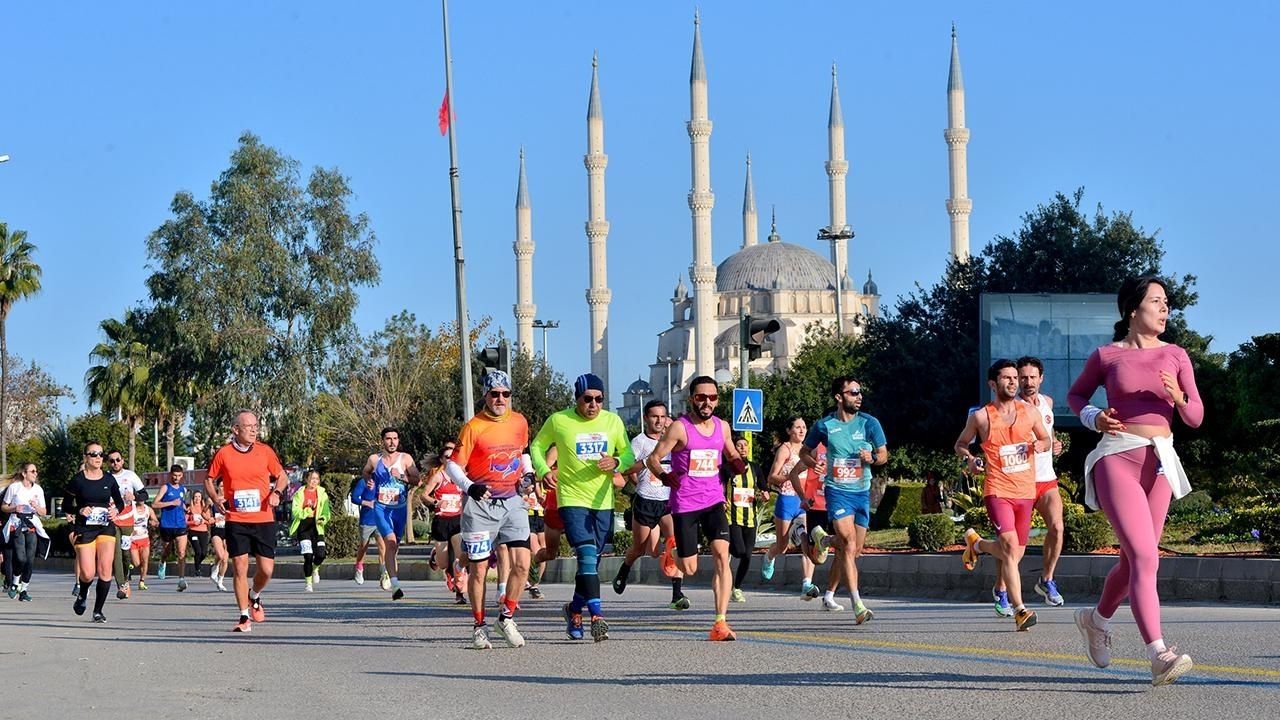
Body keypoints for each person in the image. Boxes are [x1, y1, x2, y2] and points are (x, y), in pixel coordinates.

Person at [1068, 276, 1202, 686]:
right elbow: (1076, 397)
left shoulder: (1177, 355)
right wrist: (1095, 417)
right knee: (1146, 557)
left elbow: (1195, 416)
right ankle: (1158, 653)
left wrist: (1178, 397)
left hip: (1161, 462)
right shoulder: (1107, 356)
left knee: (1134, 560)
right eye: (1157, 301)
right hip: (1116, 457)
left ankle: (1096, 620)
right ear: (1132, 309)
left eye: (1167, 303)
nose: (1165, 309)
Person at [531, 373, 633, 643]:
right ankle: (597, 616)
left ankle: (574, 609)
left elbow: (628, 454)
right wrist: (543, 471)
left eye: (599, 399)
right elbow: (537, 446)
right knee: (586, 556)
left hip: (603, 503)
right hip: (571, 499)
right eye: (588, 399)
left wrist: (616, 462)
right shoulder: (559, 420)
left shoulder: (613, 421)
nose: (594, 405)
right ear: (577, 398)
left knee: (593, 563)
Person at [647, 376, 748, 642]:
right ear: (692, 398)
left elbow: (731, 453)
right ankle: (674, 550)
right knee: (689, 569)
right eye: (701, 397)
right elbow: (653, 459)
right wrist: (665, 476)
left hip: (714, 500)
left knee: (721, 556)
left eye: (712, 397)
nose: (707, 402)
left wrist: (738, 463)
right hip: (686, 503)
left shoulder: (722, 426)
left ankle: (720, 622)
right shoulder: (680, 428)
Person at [956, 359, 1051, 633]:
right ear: (992, 384)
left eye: (1015, 378)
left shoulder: (1030, 413)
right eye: (1007, 378)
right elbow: (961, 444)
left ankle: (977, 544)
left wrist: (1040, 444)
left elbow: (1045, 438)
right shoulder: (981, 417)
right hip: (998, 490)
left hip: (1025, 491)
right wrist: (970, 459)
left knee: (1014, 553)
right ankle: (1020, 610)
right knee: (1010, 548)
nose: (1013, 382)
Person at [445, 370, 533, 649]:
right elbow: (452, 465)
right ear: (485, 395)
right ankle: (479, 625)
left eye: (505, 394)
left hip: (513, 502)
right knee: (480, 570)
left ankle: (505, 617)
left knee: (523, 564)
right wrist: (469, 486)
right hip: (481, 507)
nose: (500, 399)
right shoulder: (473, 427)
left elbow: (524, 452)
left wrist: (528, 473)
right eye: (494, 394)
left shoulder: (519, 421)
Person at [801, 377, 888, 624]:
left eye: (860, 392)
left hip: (861, 492)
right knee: (848, 544)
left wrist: (871, 456)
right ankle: (858, 604)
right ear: (839, 397)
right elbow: (803, 452)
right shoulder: (825, 426)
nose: (859, 396)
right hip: (837, 491)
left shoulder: (870, 423)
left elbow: (883, 455)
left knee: (855, 549)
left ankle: (824, 539)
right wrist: (814, 463)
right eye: (853, 392)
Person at [204, 410, 289, 633]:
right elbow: (209, 480)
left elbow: (282, 476)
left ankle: (255, 596)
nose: (254, 430)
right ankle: (243, 616)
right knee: (240, 567)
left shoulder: (265, 451)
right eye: (248, 426)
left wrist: (277, 493)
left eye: (256, 426)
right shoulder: (223, 454)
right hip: (236, 519)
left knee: (267, 570)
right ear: (236, 430)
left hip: (263, 518)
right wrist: (215, 499)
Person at [612, 399, 690, 610]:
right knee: (641, 549)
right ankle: (624, 570)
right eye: (654, 416)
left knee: (676, 543)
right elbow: (625, 469)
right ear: (646, 418)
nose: (659, 420)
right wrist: (643, 466)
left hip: (668, 501)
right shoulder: (639, 442)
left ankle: (677, 594)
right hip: (646, 500)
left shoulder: (673, 441)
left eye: (662, 416)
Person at [1014, 355, 1066, 606]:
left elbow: (1049, 434)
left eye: (1032, 377)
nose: (1028, 382)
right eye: (1023, 377)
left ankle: (1047, 579)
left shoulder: (1047, 403)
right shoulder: (1011, 408)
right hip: (1019, 482)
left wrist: (1055, 444)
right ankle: (1001, 589)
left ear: (1041, 379)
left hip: (1046, 479)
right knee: (1014, 544)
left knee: (1057, 528)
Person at [359, 427, 421, 600]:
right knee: (391, 543)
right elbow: (365, 472)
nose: (392, 442)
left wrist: (402, 476)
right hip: (381, 508)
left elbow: (417, 479)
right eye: (388, 439)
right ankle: (395, 585)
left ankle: (388, 572)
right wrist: (368, 481)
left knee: (394, 548)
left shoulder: (405, 458)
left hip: (399, 509)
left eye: (395, 438)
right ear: (382, 441)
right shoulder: (374, 459)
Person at [66, 442, 125, 623]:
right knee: (88, 573)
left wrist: (116, 511)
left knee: (105, 569)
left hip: (105, 527)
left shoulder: (108, 479)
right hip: (85, 528)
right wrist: (79, 510)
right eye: (94, 454)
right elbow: (66, 505)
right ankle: (83, 594)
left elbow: (119, 502)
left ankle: (98, 611)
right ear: (86, 457)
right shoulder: (77, 480)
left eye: (101, 454)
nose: (98, 457)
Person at [761, 418, 815, 589]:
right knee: (782, 546)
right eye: (797, 427)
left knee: (808, 541)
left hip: (803, 500)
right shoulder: (785, 450)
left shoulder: (809, 450)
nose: (802, 430)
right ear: (789, 430)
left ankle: (807, 583)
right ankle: (769, 557)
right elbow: (771, 477)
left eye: (804, 427)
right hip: (786, 499)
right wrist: (790, 477)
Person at [420, 442, 467, 604]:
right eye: (447, 457)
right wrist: (435, 502)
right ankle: (438, 559)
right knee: (443, 563)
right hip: (441, 521)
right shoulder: (439, 476)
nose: (450, 460)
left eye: (453, 457)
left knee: (461, 557)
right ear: (441, 460)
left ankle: (460, 592)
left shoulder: (462, 475)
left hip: (457, 520)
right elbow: (424, 495)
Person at [723, 435, 762, 604]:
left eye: (745, 445)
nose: (743, 448)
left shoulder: (755, 468)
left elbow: (763, 487)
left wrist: (764, 494)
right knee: (738, 551)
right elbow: (719, 487)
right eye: (739, 445)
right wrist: (721, 500)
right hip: (732, 516)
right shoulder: (726, 468)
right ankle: (727, 552)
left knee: (747, 555)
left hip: (750, 518)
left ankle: (737, 588)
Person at [2, 463, 48, 601]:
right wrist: (15, 508)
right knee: (20, 558)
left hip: (32, 524)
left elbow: (44, 512)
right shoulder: (14, 487)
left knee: (29, 560)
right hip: (17, 523)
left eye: (36, 471)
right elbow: (4, 507)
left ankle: (24, 590)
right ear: (24, 473)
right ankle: (15, 583)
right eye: (32, 471)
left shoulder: (38, 490)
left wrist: (36, 506)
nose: (35, 473)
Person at [105, 451, 144, 599]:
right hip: (112, 520)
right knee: (116, 554)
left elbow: (144, 495)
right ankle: (122, 585)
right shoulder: (106, 477)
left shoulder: (130, 475)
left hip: (127, 520)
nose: (115, 463)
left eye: (118, 460)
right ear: (108, 463)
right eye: (112, 461)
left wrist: (134, 497)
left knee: (126, 553)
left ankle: (127, 577)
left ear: (122, 461)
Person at [289, 469, 330, 592]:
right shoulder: (299, 493)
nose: (314, 481)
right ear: (306, 479)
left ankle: (315, 568)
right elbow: (295, 511)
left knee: (321, 554)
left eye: (317, 479)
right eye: (312, 479)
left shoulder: (322, 493)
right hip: (304, 526)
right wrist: (306, 511)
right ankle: (308, 583)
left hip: (317, 527)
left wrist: (323, 518)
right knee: (308, 556)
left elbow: (326, 511)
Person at [152, 464, 190, 591]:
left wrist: (186, 508)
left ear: (182, 476)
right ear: (170, 475)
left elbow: (182, 504)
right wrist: (171, 503)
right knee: (167, 551)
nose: (176, 478)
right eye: (174, 475)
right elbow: (154, 504)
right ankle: (162, 562)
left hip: (180, 524)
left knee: (181, 552)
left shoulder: (183, 489)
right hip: (167, 525)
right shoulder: (165, 488)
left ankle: (181, 579)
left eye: (179, 476)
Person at [349, 474, 386, 586]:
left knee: (382, 546)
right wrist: (366, 503)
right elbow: (354, 498)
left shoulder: (385, 482)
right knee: (364, 546)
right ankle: (359, 567)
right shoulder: (364, 482)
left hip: (380, 519)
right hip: (367, 520)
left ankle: (384, 573)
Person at [129, 494, 155, 590]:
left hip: (144, 538)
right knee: (136, 563)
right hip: (133, 539)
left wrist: (154, 523)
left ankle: (142, 581)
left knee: (145, 561)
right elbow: (126, 521)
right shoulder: (132, 509)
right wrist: (131, 529)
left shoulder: (148, 509)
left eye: (143, 500)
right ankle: (129, 563)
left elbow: (155, 520)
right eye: (140, 500)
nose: (141, 502)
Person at [187, 490, 213, 581]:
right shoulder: (189, 508)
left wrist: (203, 521)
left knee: (204, 553)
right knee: (198, 551)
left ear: (201, 498)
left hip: (203, 531)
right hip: (193, 531)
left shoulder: (205, 508)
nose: (197, 499)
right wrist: (193, 522)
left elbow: (209, 521)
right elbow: (185, 521)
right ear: (193, 498)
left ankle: (197, 564)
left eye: (199, 497)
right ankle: (197, 569)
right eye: (195, 497)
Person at [208, 479, 230, 591]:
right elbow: (204, 513)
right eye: (221, 486)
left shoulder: (230, 499)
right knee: (220, 555)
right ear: (217, 487)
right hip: (217, 529)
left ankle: (220, 580)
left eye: (224, 486)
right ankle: (215, 567)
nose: (223, 488)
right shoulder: (212, 501)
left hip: (228, 529)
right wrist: (210, 519)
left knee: (225, 558)